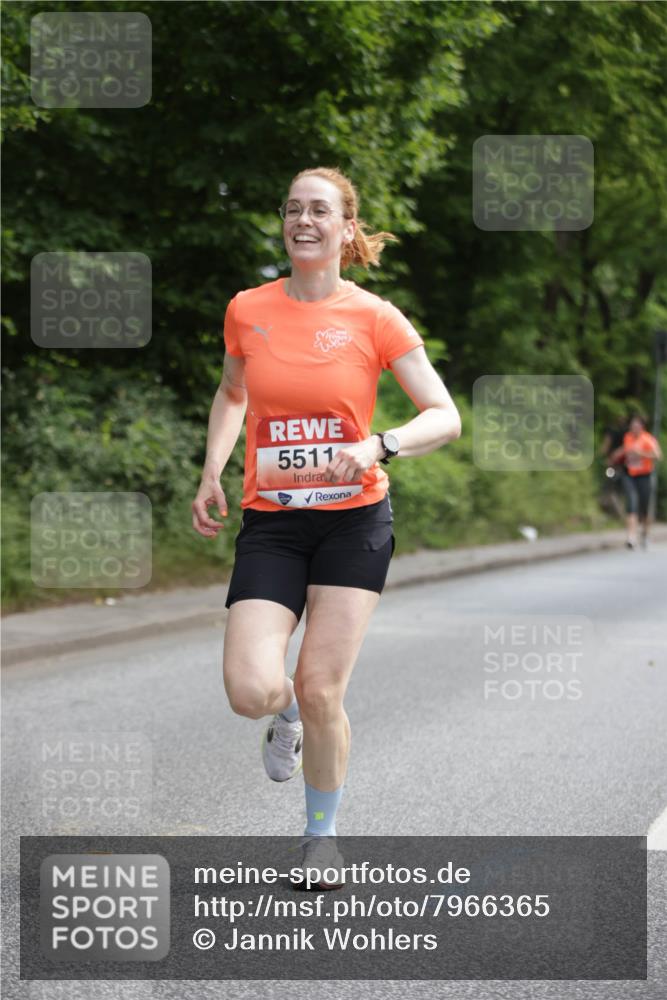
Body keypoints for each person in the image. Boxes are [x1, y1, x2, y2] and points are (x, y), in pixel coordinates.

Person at [192, 166, 461, 886]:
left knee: (320, 689)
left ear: (346, 229)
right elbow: (230, 392)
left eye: (319, 211)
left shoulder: (375, 317)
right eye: (291, 209)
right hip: (273, 524)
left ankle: (321, 838)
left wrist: (380, 444)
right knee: (254, 690)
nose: (301, 220)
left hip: (354, 522)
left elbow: (445, 415)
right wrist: (213, 468)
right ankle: (282, 722)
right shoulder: (248, 308)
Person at [610, 413, 662, 549]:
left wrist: (641, 454)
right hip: (629, 474)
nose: (634, 427)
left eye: (636, 424)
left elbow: (657, 455)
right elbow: (626, 449)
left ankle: (644, 534)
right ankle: (631, 537)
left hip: (644, 475)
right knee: (631, 503)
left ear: (642, 426)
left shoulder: (648, 439)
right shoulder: (628, 437)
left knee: (644, 507)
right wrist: (617, 454)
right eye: (632, 424)